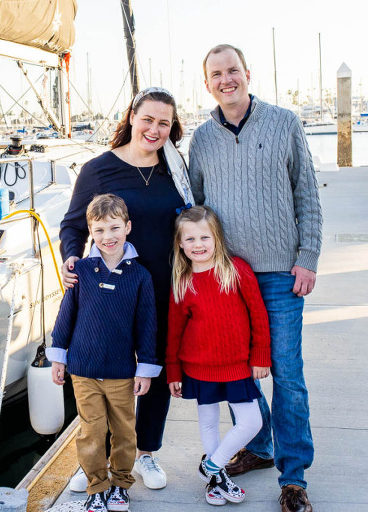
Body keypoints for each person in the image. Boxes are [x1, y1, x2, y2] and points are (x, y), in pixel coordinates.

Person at [189, 44, 322, 512]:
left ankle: (294, 476)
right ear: (207, 84)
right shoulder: (202, 139)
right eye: (216, 74)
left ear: (247, 73)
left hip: (280, 274)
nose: (226, 80)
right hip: (226, 280)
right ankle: (260, 446)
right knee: (237, 372)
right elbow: (196, 210)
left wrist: (308, 257)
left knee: (287, 376)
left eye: (232, 71)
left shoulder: (284, 123)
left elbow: (307, 194)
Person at [60, 87, 193, 490]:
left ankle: (146, 453)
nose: (154, 129)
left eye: (164, 123)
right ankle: (95, 461)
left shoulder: (175, 170)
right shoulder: (98, 169)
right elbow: (73, 225)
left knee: (154, 370)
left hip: (164, 287)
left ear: (172, 128)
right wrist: (70, 259)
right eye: (147, 119)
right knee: (103, 375)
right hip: (108, 291)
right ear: (132, 117)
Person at [48, 194, 159, 512]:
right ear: (90, 232)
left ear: (128, 227)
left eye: (114, 228)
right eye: (99, 230)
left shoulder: (140, 276)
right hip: (83, 369)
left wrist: (145, 367)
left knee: (124, 430)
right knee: (91, 431)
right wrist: (58, 357)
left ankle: (121, 484)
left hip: (121, 372)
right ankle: (97, 486)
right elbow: (66, 316)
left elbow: (147, 326)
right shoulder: (81, 270)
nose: (107, 237)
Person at [166, 205, 271, 506]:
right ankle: (217, 482)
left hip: (237, 365)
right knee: (209, 424)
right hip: (199, 367)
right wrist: (173, 371)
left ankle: (211, 466)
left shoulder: (235, 269)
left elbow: (258, 315)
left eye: (204, 237)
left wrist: (260, 356)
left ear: (217, 239)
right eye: (190, 239)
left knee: (251, 422)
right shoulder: (183, 281)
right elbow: (174, 331)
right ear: (180, 244)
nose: (198, 245)